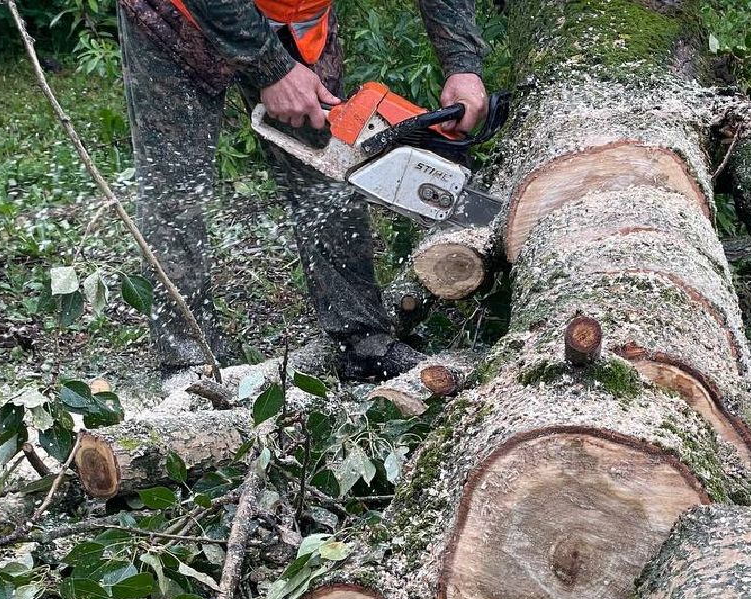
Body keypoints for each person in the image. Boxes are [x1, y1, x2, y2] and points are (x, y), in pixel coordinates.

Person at [115, 0, 488, 381]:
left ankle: (361, 341)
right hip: (178, 18)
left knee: (336, 163)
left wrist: (462, 64)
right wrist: (272, 68)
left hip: (298, 26)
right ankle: (188, 364)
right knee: (176, 186)